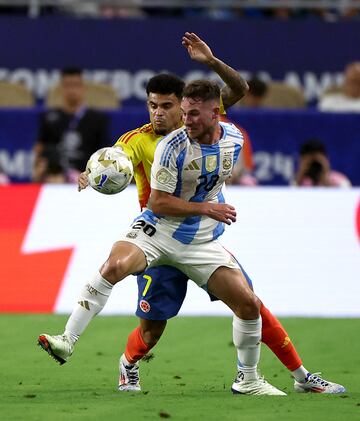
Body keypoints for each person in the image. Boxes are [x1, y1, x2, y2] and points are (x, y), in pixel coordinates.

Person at [38, 33, 345, 395]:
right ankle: (110, 356)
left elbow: (238, 88)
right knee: (150, 326)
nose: (158, 113)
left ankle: (292, 376)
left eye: (166, 106)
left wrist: (212, 61)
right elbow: (114, 164)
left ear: (190, 108)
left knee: (250, 303)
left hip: (200, 236)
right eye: (152, 105)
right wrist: (93, 174)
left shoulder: (211, 127)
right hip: (157, 234)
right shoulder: (145, 141)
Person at [32, 67, 110, 183]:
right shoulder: (49, 118)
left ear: (83, 88)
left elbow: (105, 154)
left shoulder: (98, 120)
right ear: (61, 89)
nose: (72, 90)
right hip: (56, 178)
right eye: (68, 85)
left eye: (76, 85)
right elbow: (40, 150)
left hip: (88, 178)